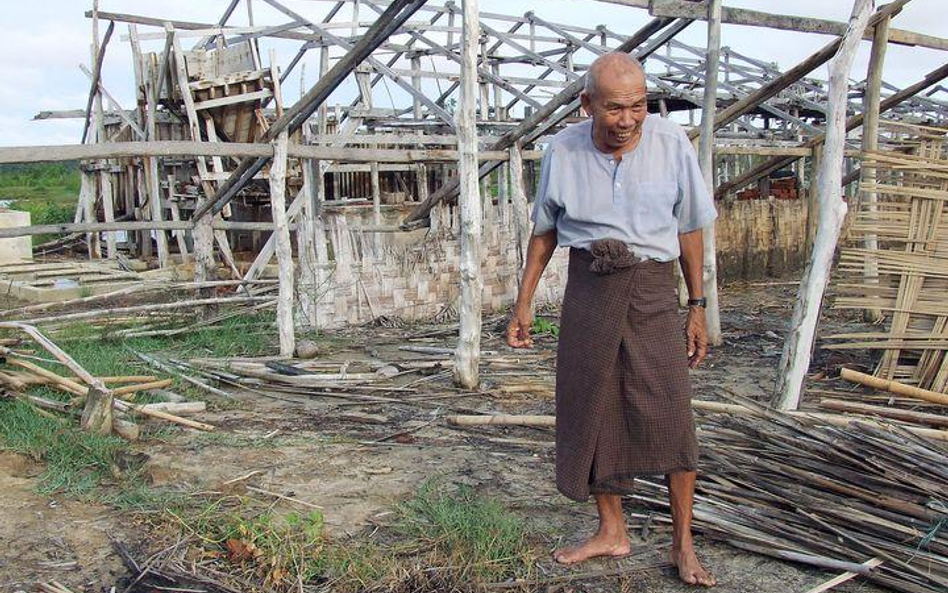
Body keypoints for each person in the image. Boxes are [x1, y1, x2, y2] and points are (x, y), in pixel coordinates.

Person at [506, 52, 717, 587]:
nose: (628, 120)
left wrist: (697, 306)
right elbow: (546, 230)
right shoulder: (563, 150)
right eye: (615, 109)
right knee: (590, 406)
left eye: (638, 107)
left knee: (670, 410)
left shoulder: (671, 143)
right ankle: (611, 530)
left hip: (651, 287)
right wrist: (524, 300)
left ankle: (682, 542)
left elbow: (690, 227)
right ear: (587, 105)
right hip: (590, 287)